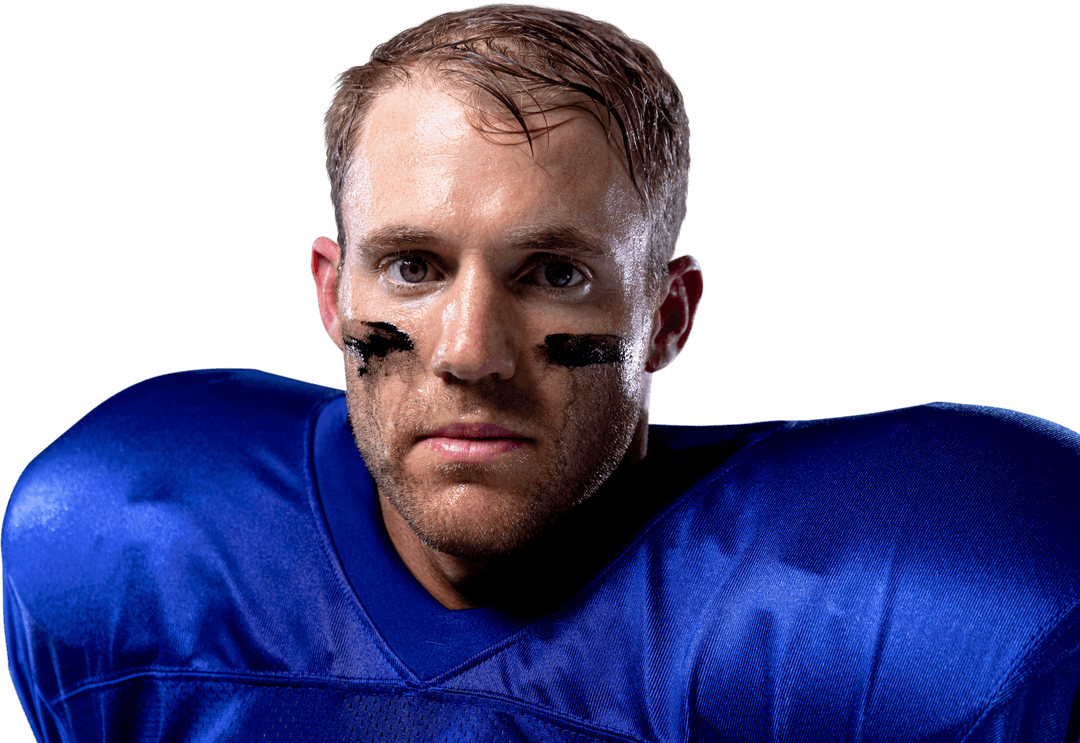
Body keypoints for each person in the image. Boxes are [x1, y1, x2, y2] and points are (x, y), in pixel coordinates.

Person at [4, 4, 1078, 741]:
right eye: (414, 267)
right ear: (333, 294)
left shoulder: (912, 617)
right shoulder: (126, 545)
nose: (471, 352)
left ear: (666, 316)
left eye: (555, 274)